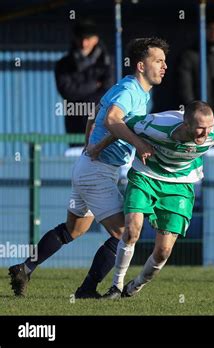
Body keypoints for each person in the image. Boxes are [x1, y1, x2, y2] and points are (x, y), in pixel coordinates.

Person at [8, 37, 168, 299]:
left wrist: (89, 146)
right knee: (125, 234)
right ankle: (86, 290)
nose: (164, 66)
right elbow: (111, 118)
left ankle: (24, 268)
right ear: (141, 65)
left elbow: (94, 114)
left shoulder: (131, 90)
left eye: (164, 61)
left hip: (89, 167)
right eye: (158, 61)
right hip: (97, 172)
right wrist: (138, 145)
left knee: (73, 230)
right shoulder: (130, 91)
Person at [97, 101, 214, 299]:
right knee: (132, 229)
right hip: (146, 175)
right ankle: (116, 286)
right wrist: (102, 147)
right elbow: (118, 124)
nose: (206, 134)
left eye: (209, 128)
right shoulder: (156, 126)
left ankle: (135, 286)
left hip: (180, 185)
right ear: (186, 125)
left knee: (163, 251)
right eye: (201, 129)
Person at [55, 20, 114, 146]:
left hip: (100, 124)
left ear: (96, 39)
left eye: (88, 38)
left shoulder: (106, 64)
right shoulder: (63, 64)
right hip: (75, 123)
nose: (84, 43)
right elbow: (67, 92)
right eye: (80, 38)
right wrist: (94, 85)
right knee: (78, 160)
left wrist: (82, 96)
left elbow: (107, 93)